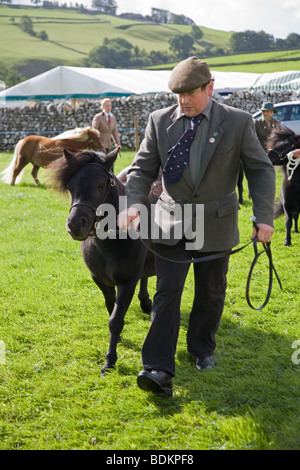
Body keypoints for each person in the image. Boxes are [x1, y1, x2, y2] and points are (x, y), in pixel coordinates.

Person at [117, 56, 276, 396]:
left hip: (217, 223)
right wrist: (132, 205)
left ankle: (201, 349)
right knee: (166, 293)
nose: (184, 101)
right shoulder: (159, 121)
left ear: (210, 88)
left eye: (191, 93)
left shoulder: (237, 121)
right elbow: (142, 168)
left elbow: (260, 170)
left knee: (211, 292)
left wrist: (263, 215)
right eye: (179, 95)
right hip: (170, 221)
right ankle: (157, 367)